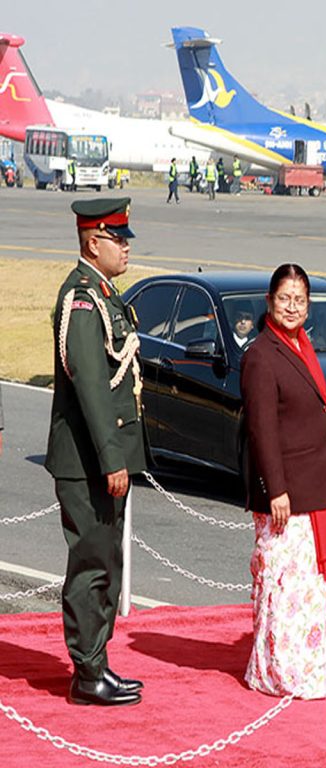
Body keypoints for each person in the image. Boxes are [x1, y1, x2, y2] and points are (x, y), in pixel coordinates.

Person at [240, 263, 326, 699]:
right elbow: (263, 430)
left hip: (313, 487)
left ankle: (305, 668)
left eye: (299, 300)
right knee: (284, 589)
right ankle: (280, 673)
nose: (292, 308)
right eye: (284, 299)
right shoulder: (261, 355)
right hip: (288, 495)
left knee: (308, 590)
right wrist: (276, 489)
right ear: (269, 302)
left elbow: (303, 403)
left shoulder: (301, 344)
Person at [45, 198, 146, 706]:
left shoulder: (104, 294)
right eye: (117, 239)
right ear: (92, 243)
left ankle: (96, 663)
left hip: (101, 460)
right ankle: (87, 673)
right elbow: (90, 387)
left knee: (108, 562)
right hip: (87, 463)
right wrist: (112, 459)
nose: (126, 247)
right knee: (92, 565)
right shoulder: (82, 300)